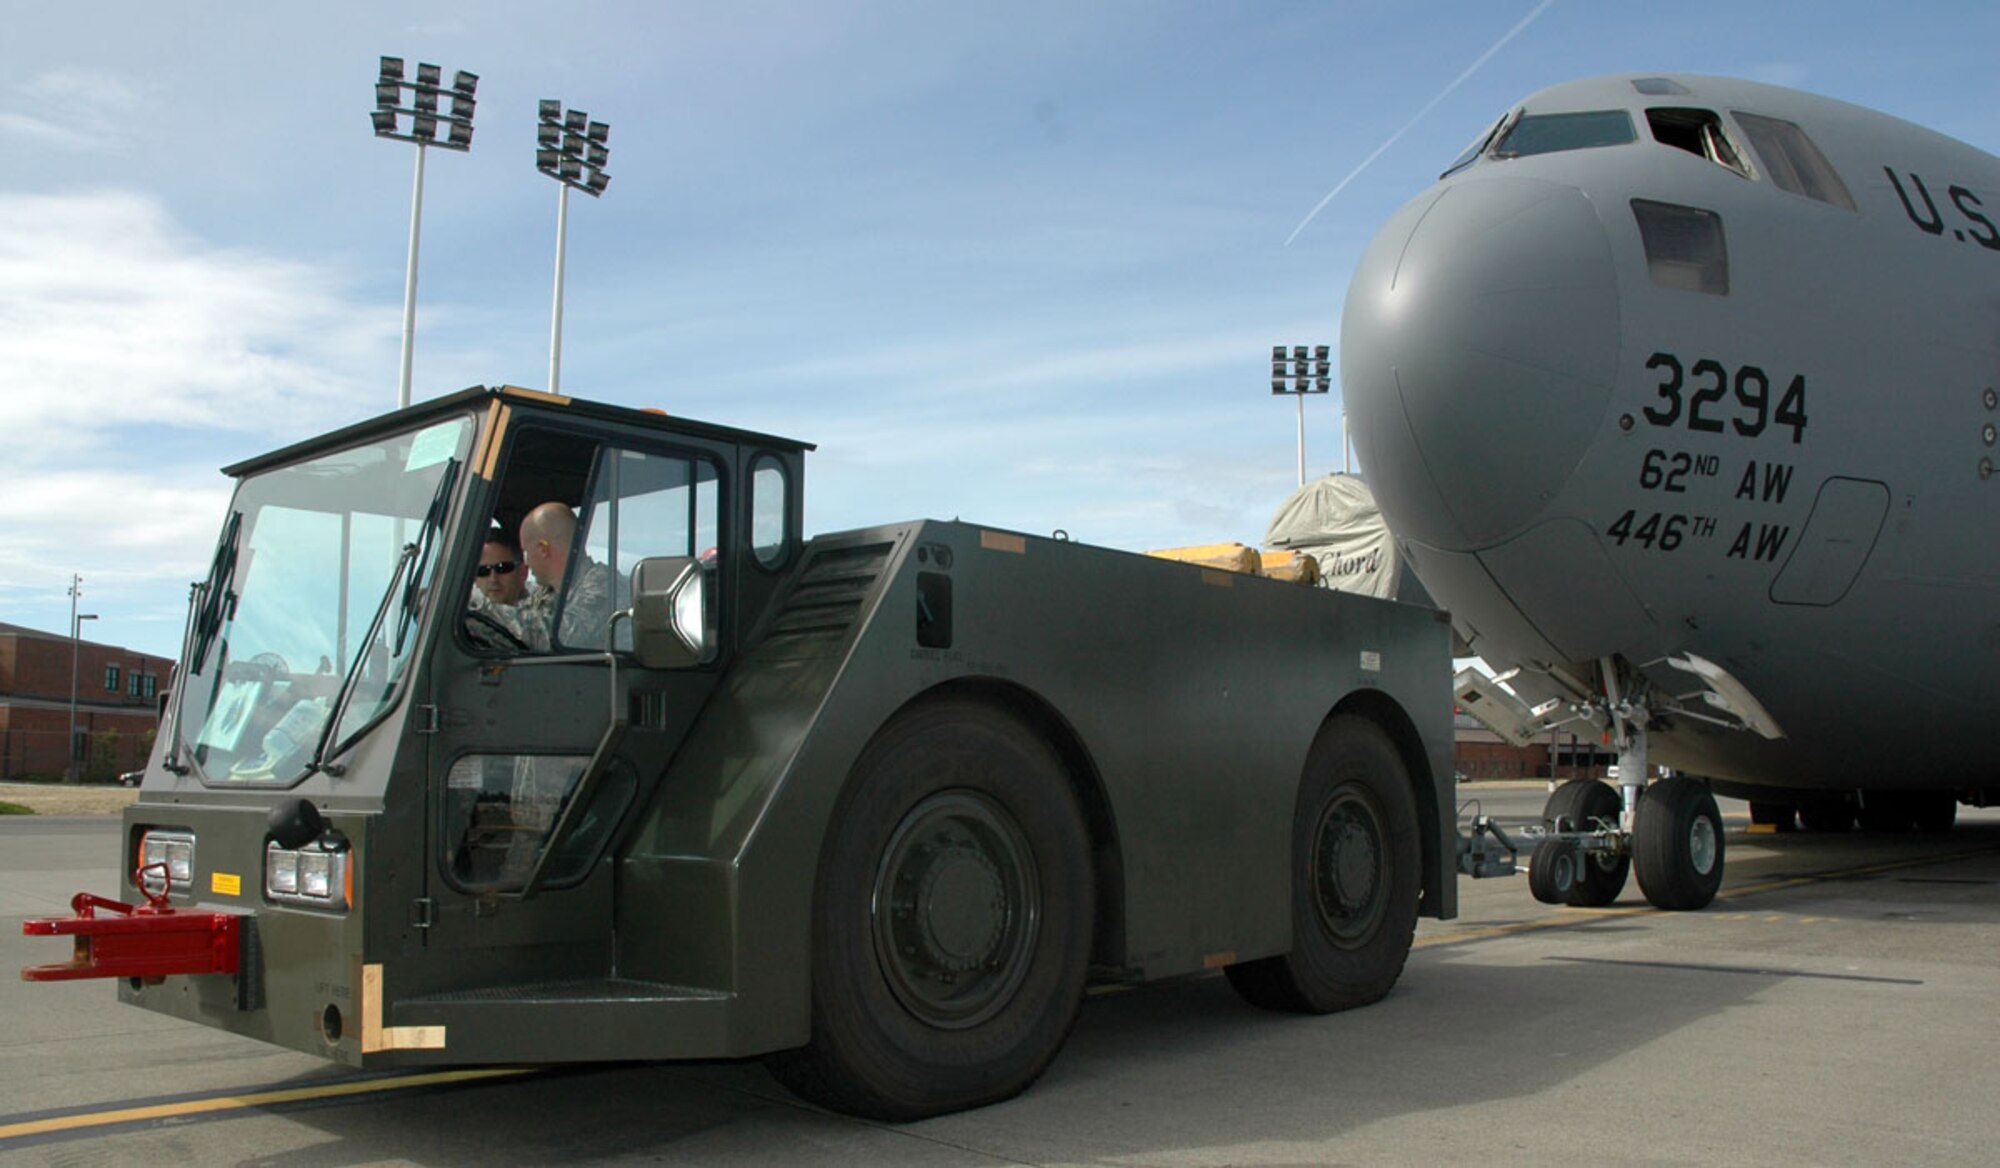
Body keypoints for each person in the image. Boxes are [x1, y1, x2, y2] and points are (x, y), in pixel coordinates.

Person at [517, 502, 616, 650]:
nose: (526, 562)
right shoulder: (547, 591)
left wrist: (480, 607)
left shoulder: (604, 585)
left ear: (543, 549)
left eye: (525, 552)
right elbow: (522, 610)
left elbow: (561, 637)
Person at [472, 530, 527, 607]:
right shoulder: (462, 613)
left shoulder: (541, 613)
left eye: (502, 568)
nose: (493, 579)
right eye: (483, 571)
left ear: (523, 572)